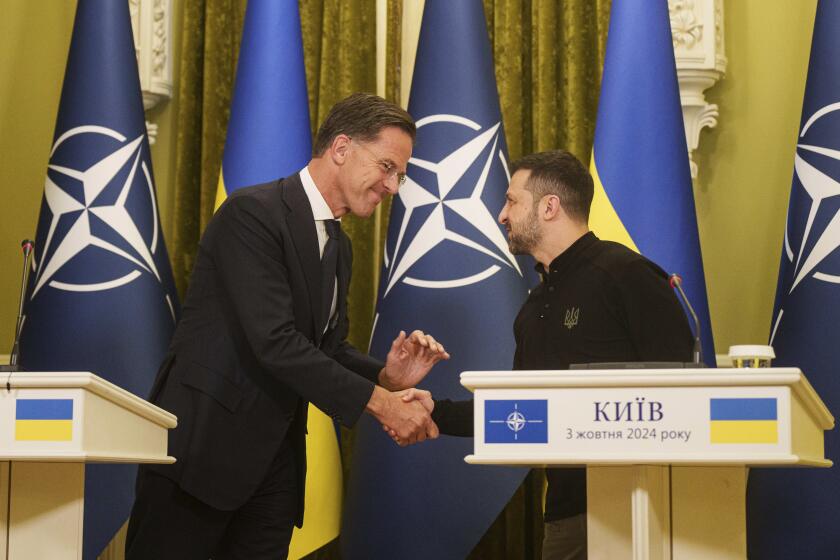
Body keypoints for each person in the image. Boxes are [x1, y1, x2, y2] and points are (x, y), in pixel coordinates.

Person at [126, 93, 449, 560]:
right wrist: (382, 405)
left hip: (274, 472)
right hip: (200, 458)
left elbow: (328, 347)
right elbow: (274, 342)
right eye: (386, 167)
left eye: (399, 174)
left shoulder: (340, 248)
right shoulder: (252, 214)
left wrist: (385, 376)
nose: (393, 186)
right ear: (341, 148)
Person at [397, 149, 693, 559]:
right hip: (567, 514)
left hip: (647, 508)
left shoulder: (628, 276)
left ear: (549, 206)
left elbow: (686, 394)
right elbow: (519, 412)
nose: (502, 215)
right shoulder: (533, 307)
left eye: (512, 201)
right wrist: (433, 411)